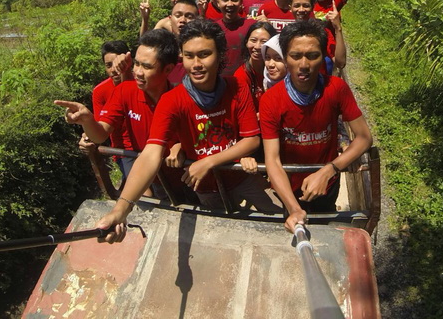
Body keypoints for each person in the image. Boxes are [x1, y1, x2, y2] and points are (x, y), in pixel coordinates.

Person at [94, 20, 282, 242]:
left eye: (204, 54)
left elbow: (251, 140)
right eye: (189, 56)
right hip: (205, 187)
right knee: (225, 233)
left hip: (240, 177)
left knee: (274, 222)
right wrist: (121, 209)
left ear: (221, 55)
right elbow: (151, 153)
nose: (196, 64)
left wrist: (208, 161)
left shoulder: (236, 87)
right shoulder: (171, 100)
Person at [260, 20, 372, 232]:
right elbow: (272, 159)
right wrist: (293, 208)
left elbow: (364, 137)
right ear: (285, 57)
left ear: (323, 57)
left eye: (312, 56)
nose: (304, 65)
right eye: (295, 56)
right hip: (290, 186)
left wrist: (328, 170)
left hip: (327, 184)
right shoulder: (271, 100)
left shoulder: (336, 89)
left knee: (323, 227)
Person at [55, 29, 180, 192]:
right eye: (136, 64)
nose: (138, 72)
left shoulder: (181, 97)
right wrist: (87, 120)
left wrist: (180, 146)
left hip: (180, 178)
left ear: (168, 69)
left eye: (147, 67)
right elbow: (100, 134)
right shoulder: (124, 91)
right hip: (144, 171)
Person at [79, 40, 133, 180]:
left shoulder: (141, 82)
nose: (113, 70)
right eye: (108, 65)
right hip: (124, 152)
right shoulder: (100, 91)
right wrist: (87, 136)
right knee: (144, 194)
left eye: (117, 64)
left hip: (150, 147)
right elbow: (99, 125)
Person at [288, 0, 346, 72]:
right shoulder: (287, 32)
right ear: (290, 8)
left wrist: (338, 28)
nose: (301, 10)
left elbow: (340, 63)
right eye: (297, 6)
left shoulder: (322, 31)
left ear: (312, 7)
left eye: (306, 6)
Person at [214, 0, 257, 77]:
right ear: (218, 3)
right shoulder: (213, 29)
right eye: (225, 0)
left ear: (241, 2)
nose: (230, 4)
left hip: (248, 81)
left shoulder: (253, 27)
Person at [233, 22, 277, 111]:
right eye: (253, 40)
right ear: (246, 42)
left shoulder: (277, 70)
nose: (257, 46)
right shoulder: (241, 76)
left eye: (264, 42)